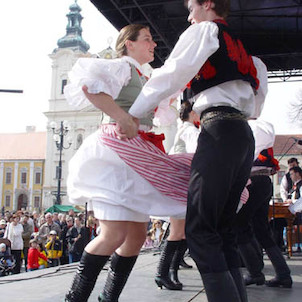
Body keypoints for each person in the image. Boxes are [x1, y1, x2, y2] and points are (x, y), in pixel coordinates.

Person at [116, 1, 268, 301]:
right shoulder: (249, 56)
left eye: (191, 7)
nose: (188, 16)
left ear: (207, 4)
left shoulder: (204, 31)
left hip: (218, 131)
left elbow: (171, 73)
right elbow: (257, 107)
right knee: (223, 233)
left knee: (200, 232)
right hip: (241, 135)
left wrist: (133, 113)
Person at [64, 24, 188, 302]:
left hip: (137, 154)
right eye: (147, 39)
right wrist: (121, 117)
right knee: (113, 234)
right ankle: (75, 298)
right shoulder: (122, 66)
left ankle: (108, 298)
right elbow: (90, 88)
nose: (153, 44)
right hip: (115, 153)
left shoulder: (146, 76)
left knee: (135, 237)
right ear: (128, 44)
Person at [235, 120, 292, 289]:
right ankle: (283, 274)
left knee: (239, 225)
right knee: (261, 229)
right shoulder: (263, 127)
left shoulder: (248, 128)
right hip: (264, 181)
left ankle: (255, 273)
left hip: (253, 181)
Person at [155, 101, 200, 290]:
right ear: (192, 113)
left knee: (181, 232)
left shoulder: (185, 128)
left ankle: (169, 273)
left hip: (179, 184)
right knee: (178, 231)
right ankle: (163, 273)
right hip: (182, 184)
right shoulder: (189, 129)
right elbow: (197, 152)